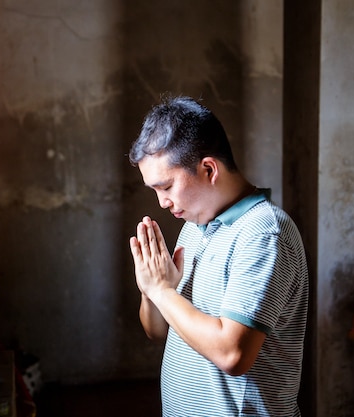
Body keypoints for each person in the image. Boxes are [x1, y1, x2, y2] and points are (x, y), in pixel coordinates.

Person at [128, 95, 309, 416]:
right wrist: (150, 290)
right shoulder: (195, 226)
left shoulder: (263, 233)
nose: (162, 203)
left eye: (166, 186)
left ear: (208, 169)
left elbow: (232, 354)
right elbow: (158, 330)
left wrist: (162, 291)